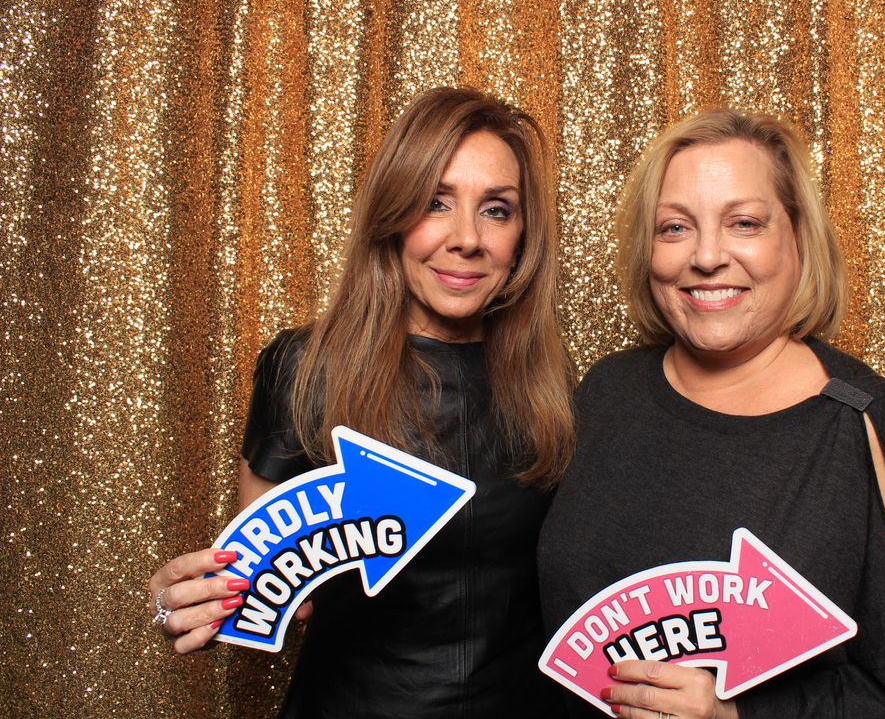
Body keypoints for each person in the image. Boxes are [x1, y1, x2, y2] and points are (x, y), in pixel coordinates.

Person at [538, 110, 885, 718]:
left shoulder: (866, 424)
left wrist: (738, 717)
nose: (705, 256)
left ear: (798, 238)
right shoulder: (605, 392)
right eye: (673, 227)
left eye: (744, 223)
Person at [147, 86, 576, 718]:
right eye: (435, 203)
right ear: (393, 213)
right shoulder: (305, 368)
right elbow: (262, 591)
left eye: (496, 210)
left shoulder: (555, 385)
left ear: (523, 235)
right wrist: (189, 602)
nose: (466, 239)